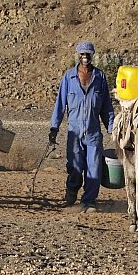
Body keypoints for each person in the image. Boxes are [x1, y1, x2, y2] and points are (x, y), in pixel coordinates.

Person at [49, 41, 115, 211]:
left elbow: (107, 106)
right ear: (77, 55)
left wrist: (112, 128)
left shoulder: (99, 77)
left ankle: (89, 201)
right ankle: (71, 191)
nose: (85, 57)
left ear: (92, 56)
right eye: (82, 54)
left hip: (93, 132)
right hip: (74, 131)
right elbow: (60, 104)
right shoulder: (69, 77)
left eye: (88, 54)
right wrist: (54, 127)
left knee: (94, 167)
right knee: (75, 166)